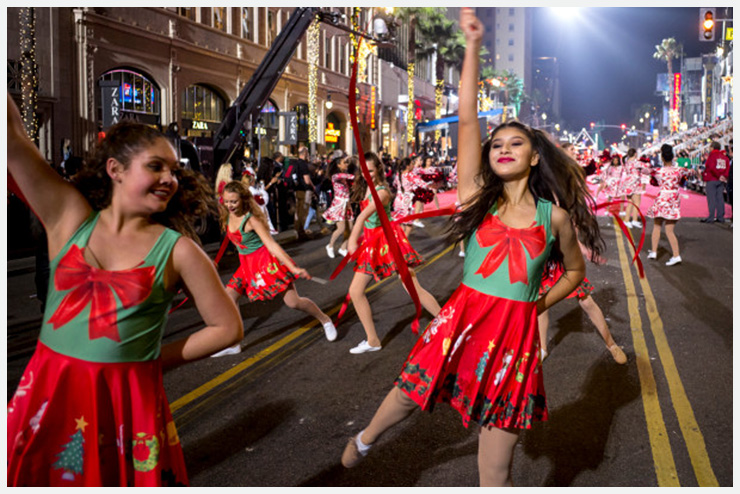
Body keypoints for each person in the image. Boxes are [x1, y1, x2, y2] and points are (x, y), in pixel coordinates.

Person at [339, 9, 603, 487]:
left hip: (514, 335)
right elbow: (466, 119)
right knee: (408, 393)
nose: (502, 147)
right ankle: (365, 438)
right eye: (497, 142)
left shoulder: (555, 218)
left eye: (515, 143)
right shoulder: (477, 198)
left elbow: (575, 273)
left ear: (534, 155)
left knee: (495, 465)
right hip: (463, 317)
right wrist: (473, 47)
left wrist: (536, 304)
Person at [6, 94, 243, 486]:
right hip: (50, 394)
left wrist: (148, 362)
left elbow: (227, 328)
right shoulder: (69, 216)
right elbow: (12, 139)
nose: (170, 178)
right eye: (156, 167)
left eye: (174, 169)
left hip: (123, 405)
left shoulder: (179, 250)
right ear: (115, 169)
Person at [211, 181, 336, 357]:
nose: (230, 205)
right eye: (227, 201)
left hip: (266, 264)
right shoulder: (226, 214)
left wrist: (293, 267)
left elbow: (272, 245)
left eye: (234, 201)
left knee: (293, 302)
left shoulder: (251, 220)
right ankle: (234, 342)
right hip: (247, 265)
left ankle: (325, 320)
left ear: (243, 200)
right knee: (229, 297)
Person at [344, 152, 441, 354]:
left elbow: (362, 216)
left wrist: (352, 240)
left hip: (388, 241)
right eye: (363, 172)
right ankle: (372, 340)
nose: (366, 175)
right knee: (355, 291)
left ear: (378, 169)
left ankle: (448, 326)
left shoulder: (382, 192)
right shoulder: (366, 188)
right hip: (373, 242)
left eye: (370, 171)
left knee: (413, 288)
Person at [537, 262, 627, 364]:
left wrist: (585, 249)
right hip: (544, 263)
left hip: (564, 262)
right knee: (541, 303)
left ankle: (611, 344)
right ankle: (543, 349)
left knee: (587, 302)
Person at [646, 143, 692, 266]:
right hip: (673, 199)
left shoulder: (657, 171)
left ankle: (656, 252)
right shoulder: (680, 170)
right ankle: (674, 254)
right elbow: (690, 173)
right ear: (672, 157)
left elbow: (645, 171)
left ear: (662, 157)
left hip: (662, 198)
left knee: (657, 225)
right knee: (669, 230)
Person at [324, 152, 357, 258]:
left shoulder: (343, 177)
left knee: (350, 227)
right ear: (338, 165)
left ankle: (343, 248)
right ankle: (330, 245)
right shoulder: (336, 176)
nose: (346, 165)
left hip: (347, 204)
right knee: (341, 228)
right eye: (344, 163)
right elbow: (351, 176)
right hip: (339, 205)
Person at [700, 141, 730, 223]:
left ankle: (711, 217)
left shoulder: (712, 156)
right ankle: (720, 217)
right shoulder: (724, 157)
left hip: (712, 179)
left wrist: (718, 176)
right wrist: (723, 176)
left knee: (711, 199)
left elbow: (711, 167)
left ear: (712, 147)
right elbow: (728, 168)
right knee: (720, 199)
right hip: (721, 180)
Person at [390, 157, 417, 237]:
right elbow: (419, 185)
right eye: (412, 164)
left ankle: (400, 241)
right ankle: (405, 243)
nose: (413, 166)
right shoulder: (411, 176)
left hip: (398, 199)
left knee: (400, 222)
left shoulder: (398, 175)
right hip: (407, 200)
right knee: (409, 223)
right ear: (408, 166)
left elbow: (394, 184)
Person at [291, 147, 313, 239]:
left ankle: (297, 230)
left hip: (296, 189)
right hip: (304, 190)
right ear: (305, 153)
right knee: (303, 211)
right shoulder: (303, 164)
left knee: (298, 210)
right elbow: (307, 180)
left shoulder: (295, 163)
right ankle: (301, 231)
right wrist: (313, 186)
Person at [621, 148, 643, 228]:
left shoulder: (627, 162)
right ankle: (634, 220)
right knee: (637, 202)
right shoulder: (636, 162)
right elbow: (647, 167)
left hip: (628, 183)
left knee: (630, 202)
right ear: (635, 154)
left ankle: (628, 220)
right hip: (634, 183)